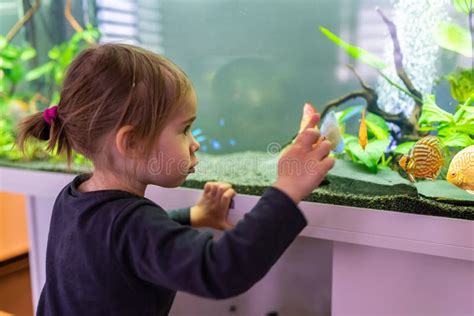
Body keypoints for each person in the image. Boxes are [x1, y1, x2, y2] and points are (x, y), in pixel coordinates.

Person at [17, 44, 335, 316]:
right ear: (131, 143)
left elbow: (125, 243)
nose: (194, 142)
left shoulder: (74, 198)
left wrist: (192, 217)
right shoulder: (132, 224)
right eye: (184, 129)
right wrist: (287, 187)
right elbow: (221, 269)